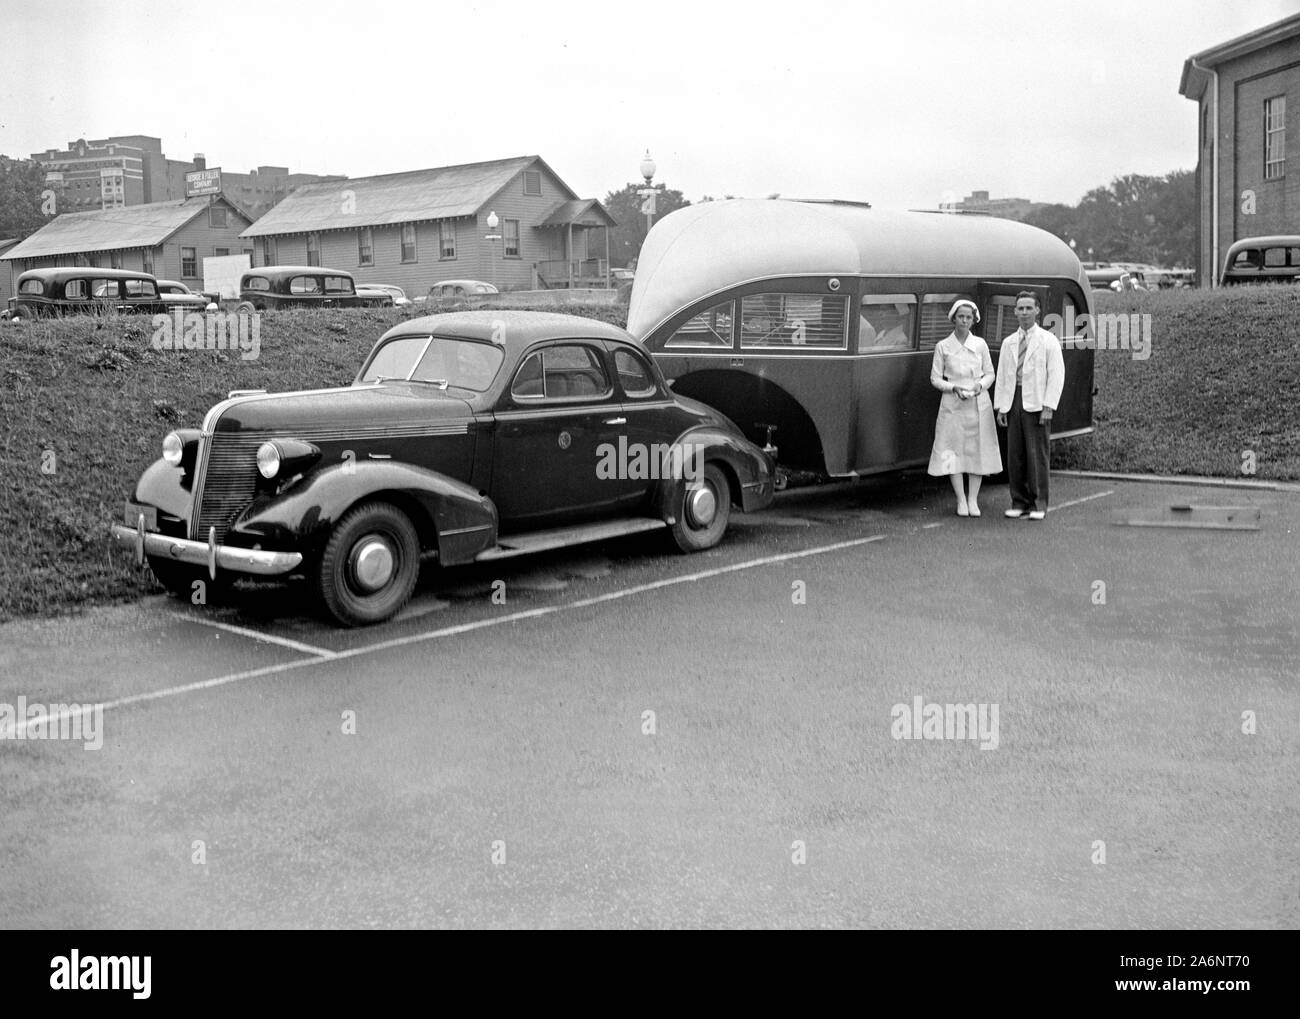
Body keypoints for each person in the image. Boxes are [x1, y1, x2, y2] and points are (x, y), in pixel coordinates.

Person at [993, 291, 1065, 521]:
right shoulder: (1009, 342)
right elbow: (1003, 376)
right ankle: (1019, 501)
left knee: (1037, 455)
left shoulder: (1048, 340)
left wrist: (1048, 405)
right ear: (1014, 311)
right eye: (1020, 308)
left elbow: (1056, 375)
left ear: (1037, 310)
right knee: (1015, 455)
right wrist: (1001, 407)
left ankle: (1038, 503)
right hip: (1014, 399)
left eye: (1028, 308)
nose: (1024, 312)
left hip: (1037, 401)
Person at [927, 299, 1001, 516]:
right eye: (961, 317)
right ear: (954, 318)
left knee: (976, 450)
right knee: (953, 451)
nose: (965, 321)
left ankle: (973, 500)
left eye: (969, 317)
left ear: (974, 320)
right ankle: (960, 499)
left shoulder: (980, 344)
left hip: (978, 404)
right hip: (953, 405)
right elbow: (935, 378)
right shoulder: (943, 346)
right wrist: (953, 388)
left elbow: (990, 373)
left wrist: (980, 385)